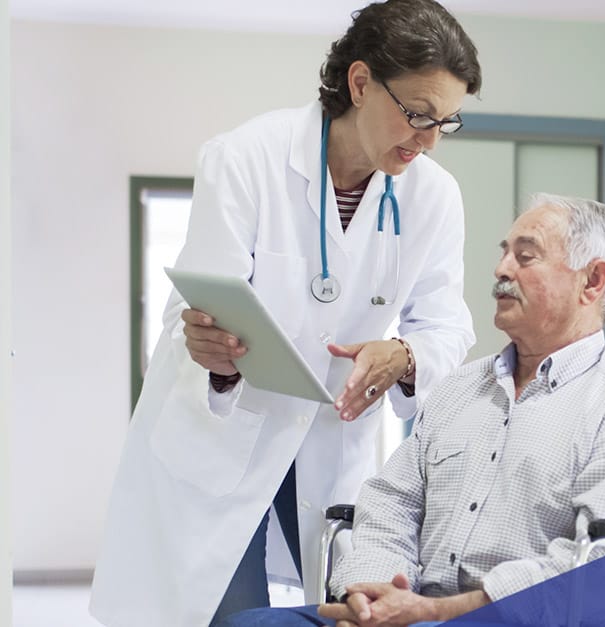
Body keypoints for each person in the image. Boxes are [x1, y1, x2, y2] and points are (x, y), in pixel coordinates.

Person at [89, 2, 481, 625]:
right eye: (417, 115)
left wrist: (405, 356)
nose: (430, 140)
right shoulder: (246, 158)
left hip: (330, 436)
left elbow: (446, 324)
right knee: (223, 615)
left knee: (341, 608)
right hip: (223, 434)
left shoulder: (433, 197)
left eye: (447, 122)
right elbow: (192, 313)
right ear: (359, 83)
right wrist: (211, 354)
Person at [217, 194, 605, 627]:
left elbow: (596, 571)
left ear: (593, 280)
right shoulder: (460, 389)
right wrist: (370, 597)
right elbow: (390, 504)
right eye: (504, 253)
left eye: (525, 256)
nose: (502, 269)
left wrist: (433, 611)